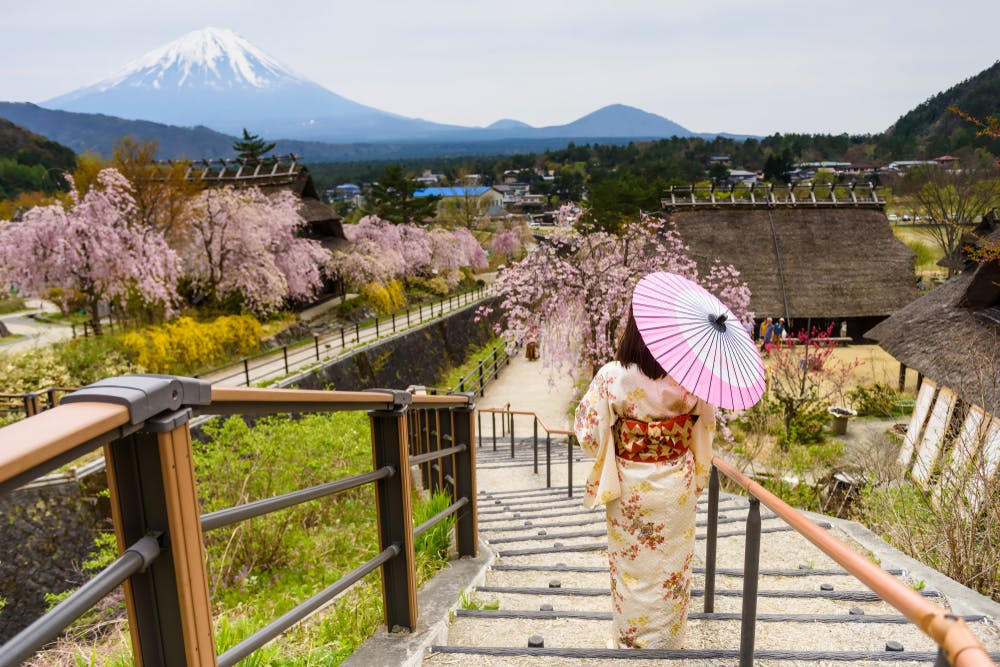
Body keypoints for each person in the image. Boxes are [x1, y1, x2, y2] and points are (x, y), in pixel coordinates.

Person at [574, 309, 715, 649]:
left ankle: (630, 641)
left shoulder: (612, 376)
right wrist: (698, 475)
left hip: (629, 485)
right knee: (673, 567)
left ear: (633, 332)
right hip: (675, 486)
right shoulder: (694, 378)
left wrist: (619, 440)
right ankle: (669, 641)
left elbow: (587, 431)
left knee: (630, 566)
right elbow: (706, 428)